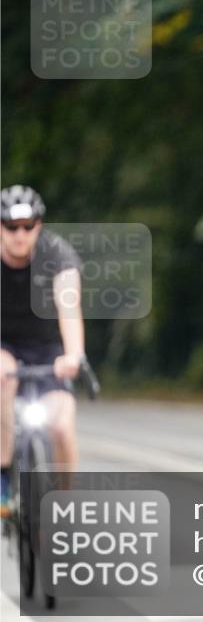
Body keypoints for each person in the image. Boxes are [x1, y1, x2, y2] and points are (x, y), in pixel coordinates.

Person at [0, 185, 85, 516]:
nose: (20, 235)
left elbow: (70, 309)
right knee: (2, 378)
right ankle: (4, 477)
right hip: (3, 344)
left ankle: (66, 507)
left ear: (39, 225)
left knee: (62, 426)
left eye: (28, 226)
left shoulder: (58, 256)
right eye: (10, 227)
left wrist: (74, 355)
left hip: (48, 347)